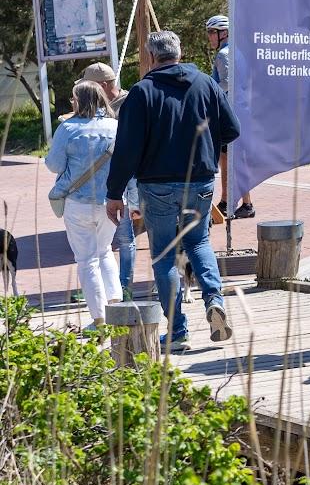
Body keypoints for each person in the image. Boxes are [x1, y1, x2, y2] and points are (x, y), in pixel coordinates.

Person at [105, 30, 240, 352]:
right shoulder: (206, 84)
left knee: (164, 254)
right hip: (202, 181)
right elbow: (232, 129)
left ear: (151, 57)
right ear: (180, 53)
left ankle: (178, 331)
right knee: (199, 241)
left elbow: (126, 148)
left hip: (158, 185)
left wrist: (114, 193)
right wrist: (209, 146)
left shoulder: (142, 92)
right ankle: (214, 300)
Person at [46, 81, 122, 327]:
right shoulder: (116, 127)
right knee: (105, 251)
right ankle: (116, 306)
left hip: (77, 202)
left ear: (79, 101)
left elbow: (53, 165)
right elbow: (128, 165)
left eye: (73, 98)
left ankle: (99, 317)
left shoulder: (67, 128)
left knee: (87, 259)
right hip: (111, 200)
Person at [83, 61, 139, 299]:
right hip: (103, 181)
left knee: (125, 238)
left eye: (91, 86)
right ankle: (104, 286)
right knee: (100, 243)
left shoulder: (129, 102)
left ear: (104, 85)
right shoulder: (96, 107)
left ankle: (124, 287)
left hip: (127, 179)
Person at [206, 15, 254, 219]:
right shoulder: (237, 52)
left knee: (230, 159)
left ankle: (241, 202)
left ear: (223, 33)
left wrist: (206, 88)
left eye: (211, 32)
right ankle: (230, 200)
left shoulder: (223, 55)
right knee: (229, 159)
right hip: (241, 110)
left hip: (230, 111)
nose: (209, 37)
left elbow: (227, 83)